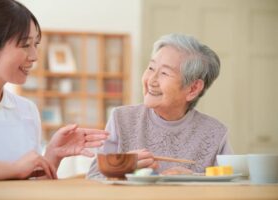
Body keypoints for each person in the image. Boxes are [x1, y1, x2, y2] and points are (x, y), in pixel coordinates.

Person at [0, 0, 108, 181]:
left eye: (35, 44)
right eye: (25, 45)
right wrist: (15, 169)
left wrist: (52, 155)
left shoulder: (27, 110)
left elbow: (32, 185)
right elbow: (18, 171)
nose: (34, 56)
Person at [87, 33, 233, 179]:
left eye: (164, 73)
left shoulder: (215, 133)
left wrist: (194, 179)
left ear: (193, 88)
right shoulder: (121, 119)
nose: (151, 80)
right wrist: (122, 168)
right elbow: (93, 179)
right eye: (151, 68)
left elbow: (231, 187)